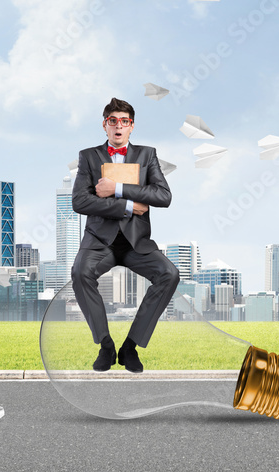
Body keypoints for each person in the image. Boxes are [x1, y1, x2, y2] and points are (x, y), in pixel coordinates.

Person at [70, 98, 179, 373]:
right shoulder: (89, 156)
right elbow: (80, 202)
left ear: (132, 126)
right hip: (99, 242)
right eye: (113, 121)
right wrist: (128, 206)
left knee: (169, 274)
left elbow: (163, 196)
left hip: (135, 243)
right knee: (80, 272)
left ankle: (130, 346)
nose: (118, 126)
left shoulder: (147, 155)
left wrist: (117, 188)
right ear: (104, 125)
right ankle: (106, 345)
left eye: (124, 121)